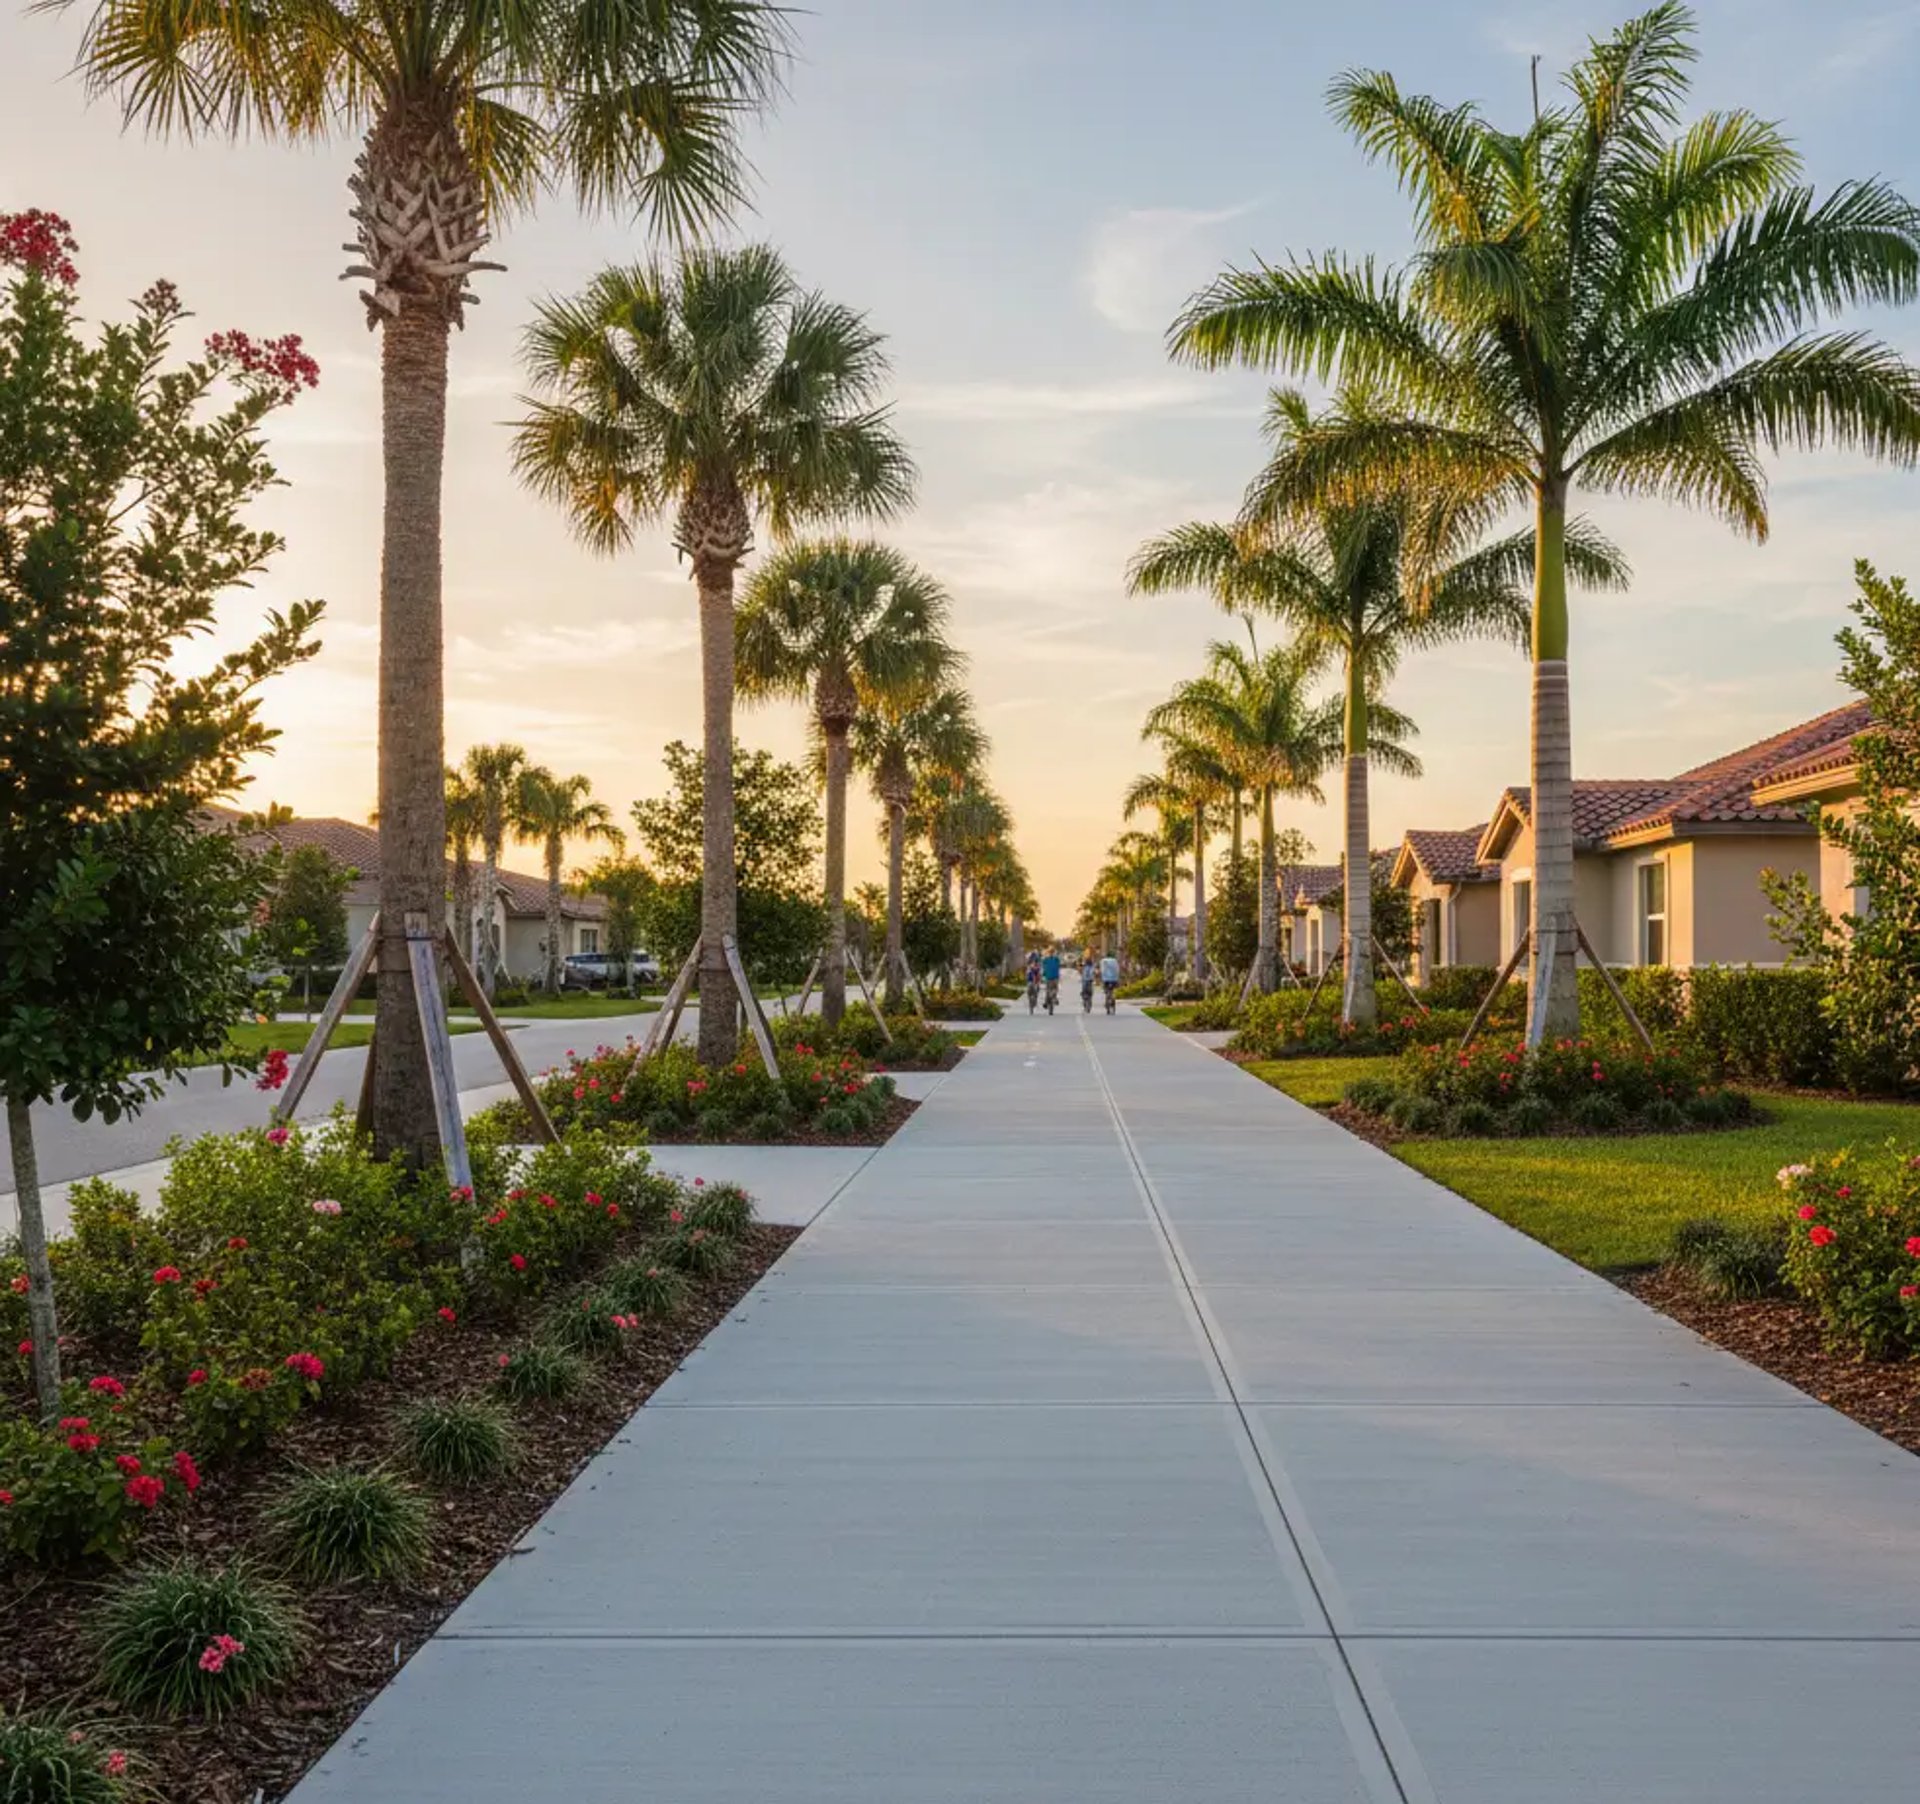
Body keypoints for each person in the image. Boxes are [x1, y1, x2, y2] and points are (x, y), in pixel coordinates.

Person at [1041, 948, 1061, 1013]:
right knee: (1053, 989)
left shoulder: (1046, 959)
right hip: (1053, 977)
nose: (1051, 953)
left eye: (1051, 952)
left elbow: (1043, 967)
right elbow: (1058, 966)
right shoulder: (1055, 959)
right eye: (1051, 952)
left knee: (1049, 990)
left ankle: (1047, 1002)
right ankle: (1053, 999)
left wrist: (1043, 974)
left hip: (1051, 977)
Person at [1024, 949, 1041, 1013]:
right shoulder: (1032, 963)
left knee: (1034, 990)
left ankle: (1033, 1001)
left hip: (1032, 980)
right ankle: (1033, 1002)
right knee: (1034, 990)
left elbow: (1038, 973)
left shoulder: (1035, 964)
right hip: (1032, 980)